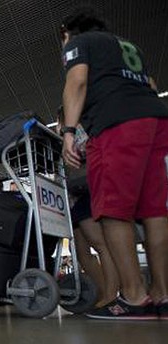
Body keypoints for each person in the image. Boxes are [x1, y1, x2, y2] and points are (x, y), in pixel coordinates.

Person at [60, 7, 168, 319]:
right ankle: (162, 293)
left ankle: (134, 296)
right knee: (155, 211)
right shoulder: (128, 46)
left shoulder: (77, 43)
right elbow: (149, 83)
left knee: (111, 210)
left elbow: (77, 81)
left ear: (69, 31)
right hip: (154, 119)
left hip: (115, 124)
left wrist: (68, 131)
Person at [56, 106, 120, 308]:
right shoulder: (65, 135)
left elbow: (85, 155)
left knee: (99, 244)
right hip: (73, 197)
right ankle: (101, 294)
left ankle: (111, 294)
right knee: (81, 251)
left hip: (86, 190)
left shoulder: (79, 130)